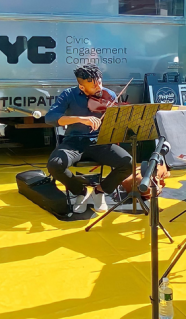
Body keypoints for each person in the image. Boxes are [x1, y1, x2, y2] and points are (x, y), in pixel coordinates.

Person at [45, 64, 134, 213]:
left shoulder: (109, 95)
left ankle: (100, 191)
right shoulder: (69, 95)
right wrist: (80, 119)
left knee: (128, 163)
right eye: (93, 86)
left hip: (100, 142)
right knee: (55, 165)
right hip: (74, 142)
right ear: (81, 87)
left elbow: (115, 123)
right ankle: (81, 191)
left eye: (99, 82)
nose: (99, 88)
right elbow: (50, 117)